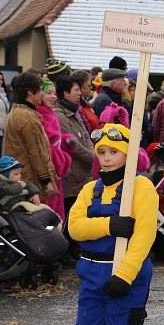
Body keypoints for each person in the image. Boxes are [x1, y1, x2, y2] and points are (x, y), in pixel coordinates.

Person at [69, 123, 158, 325]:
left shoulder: (141, 188)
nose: (106, 159)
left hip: (126, 276)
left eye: (114, 153)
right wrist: (109, 224)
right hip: (91, 273)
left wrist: (125, 275)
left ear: (129, 155)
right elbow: (74, 228)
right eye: (102, 152)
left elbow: (144, 236)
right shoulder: (89, 189)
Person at [3, 71, 58, 212]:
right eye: (40, 89)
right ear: (30, 92)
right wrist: (46, 180)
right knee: (32, 218)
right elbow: (36, 151)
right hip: (28, 178)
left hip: (21, 176)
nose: (42, 93)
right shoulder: (26, 117)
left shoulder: (20, 111)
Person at [54, 74, 95, 256]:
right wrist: (93, 158)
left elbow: (85, 136)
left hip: (82, 172)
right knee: (70, 211)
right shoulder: (60, 115)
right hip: (72, 172)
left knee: (78, 210)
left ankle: (75, 247)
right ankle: (68, 250)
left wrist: (93, 153)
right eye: (76, 90)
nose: (80, 93)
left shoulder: (74, 111)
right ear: (65, 93)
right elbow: (73, 146)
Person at [37, 79, 72, 220]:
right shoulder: (40, 115)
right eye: (48, 93)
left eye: (54, 93)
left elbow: (55, 140)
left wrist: (67, 141)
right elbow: (44, 146)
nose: (53, 96)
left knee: (56, 210)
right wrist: (63, 160)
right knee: (48, 211)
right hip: (47, 172)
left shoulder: (50, 113)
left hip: (55, 173)